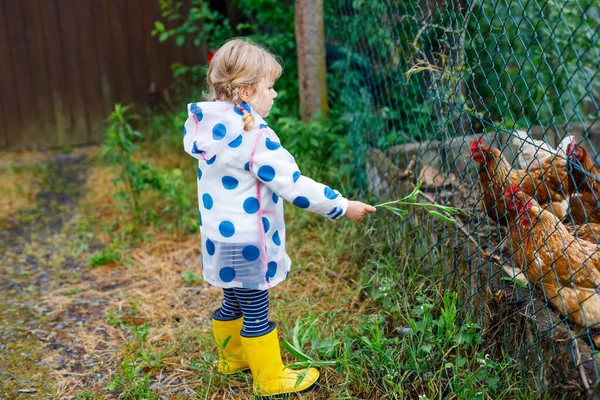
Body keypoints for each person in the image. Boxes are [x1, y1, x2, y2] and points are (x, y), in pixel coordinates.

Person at [183, 37, 375, 397]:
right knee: (256, 308)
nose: (274, 95)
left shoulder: (208, 129)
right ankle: (270, 378)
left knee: (232, 299)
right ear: (244, 90)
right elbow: (294, 185)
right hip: (249, 243)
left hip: (219, 239)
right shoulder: (253, 136)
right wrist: (342, 205)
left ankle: (232, 360)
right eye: (269, 87)